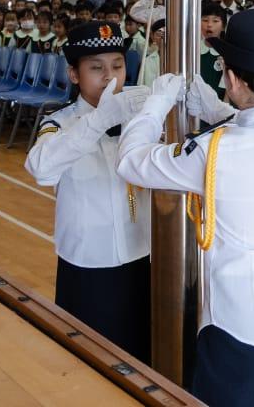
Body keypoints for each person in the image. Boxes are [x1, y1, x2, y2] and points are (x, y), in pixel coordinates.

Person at [116, 10, 254, 407]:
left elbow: (131, 161)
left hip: (246, 325)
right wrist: (221, 110)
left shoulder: (211, 153)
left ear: (234, 80)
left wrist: (156, 103)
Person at [25, 22, 179, 363]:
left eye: (117, 66)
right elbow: (41, 169)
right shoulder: (61, 122)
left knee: (142, 355)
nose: (109, 77)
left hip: (142, 254)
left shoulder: (142, 118)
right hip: (90, 262)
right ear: (74, 74)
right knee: (90, 360)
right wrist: (97, 122)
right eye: (96, 68)